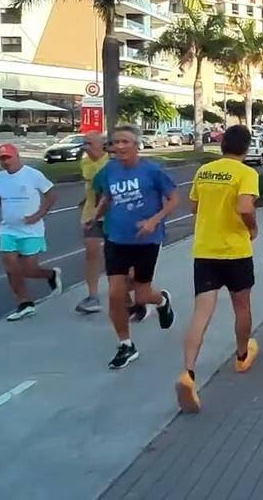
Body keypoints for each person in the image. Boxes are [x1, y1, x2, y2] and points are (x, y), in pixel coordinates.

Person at [176, 125, 261, 413]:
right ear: (246, 148)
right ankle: (241, 354)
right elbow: (245, 207)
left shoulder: (204, 171)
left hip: (205, 252)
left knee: (201, 313)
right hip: (235, 252)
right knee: (242, 306)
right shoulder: (246, 173)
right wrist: (252, 228)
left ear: (222, 144)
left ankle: (187, 373)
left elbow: (193, 207)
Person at [89, 124, 177, 370]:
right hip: (116, 238)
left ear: (136, 145)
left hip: (146, 240)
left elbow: (173, 199)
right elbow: (107, 197)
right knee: (116, 293)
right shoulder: (110, 170)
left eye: (125, 142)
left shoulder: (152, 170)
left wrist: (153, 221)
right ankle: (125, 345)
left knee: (141, 295)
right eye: (116, 142)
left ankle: (161, 301)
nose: (119, 147)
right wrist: (95, 216)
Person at [0, 143, 61, 321]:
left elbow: (52, 195)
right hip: (8, 229)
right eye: (2, 158)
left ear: (17, 156)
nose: (6, 161)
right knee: (10, 267)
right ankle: (24, 303)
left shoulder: (32, 175)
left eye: (8, 157)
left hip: (31, 230)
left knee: (28, 270)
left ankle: (51, 274)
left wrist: (38, 215)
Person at [74, 132, 109, 314]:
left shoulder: (112, 162)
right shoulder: (85, 161)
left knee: (117, 256)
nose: (86, 146)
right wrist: (84, 200)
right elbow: (89, 186)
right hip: (90, 214)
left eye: (89, 143)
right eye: (84, 143)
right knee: (91, 252)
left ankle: (128, 291)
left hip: (112, 214)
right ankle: (92, 296)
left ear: (101, 144)